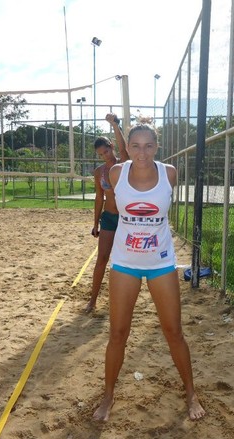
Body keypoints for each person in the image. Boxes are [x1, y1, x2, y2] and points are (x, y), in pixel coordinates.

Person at [93, 122, 205, 422]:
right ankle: (108, 396)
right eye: (136, 146)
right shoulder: (117, 174)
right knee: (118, 333)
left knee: (174, 332)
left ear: (157, 147)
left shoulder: (169, 173)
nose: (142, 152)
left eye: (149, 146)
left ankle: (191, 393)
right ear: (126, 148)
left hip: (160, 262)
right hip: (125, 262)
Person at [84, 113, 129, 314]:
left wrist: (114, 125)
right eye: (101, 154)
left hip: (127, 220)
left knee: (125, 261)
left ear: (111, 146)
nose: (106, 155)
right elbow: (98, 198)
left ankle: (123, 299)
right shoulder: (99, 172)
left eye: (107, 151)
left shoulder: (124, 163)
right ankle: (92, 300)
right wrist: (96, 223)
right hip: (109, 218)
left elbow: (123, 148)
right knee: (102, 258)